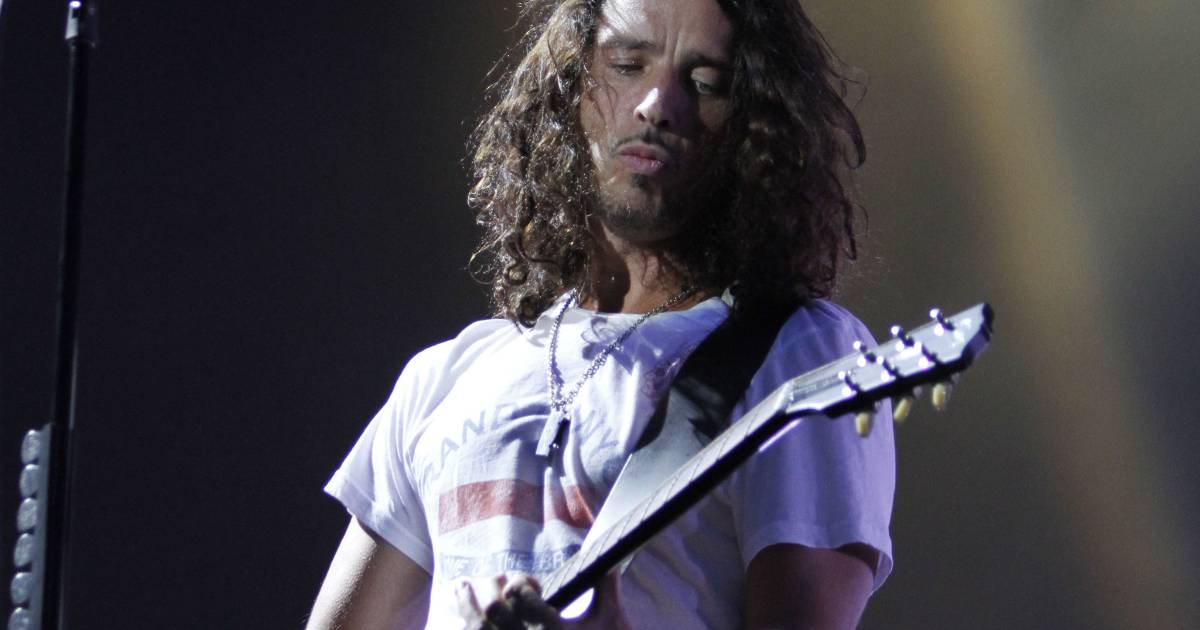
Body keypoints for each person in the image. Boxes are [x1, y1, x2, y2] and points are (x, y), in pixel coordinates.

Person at [307, 0, 894, 627]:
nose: (657, 105)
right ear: (572, 87)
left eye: (706, 83)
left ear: (755, 125)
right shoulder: (445, 378)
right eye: (627, 65)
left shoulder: (799, 356)